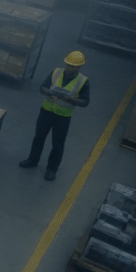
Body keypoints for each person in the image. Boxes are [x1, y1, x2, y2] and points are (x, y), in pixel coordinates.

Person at [19, 51, 90, 181]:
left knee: (58, 145)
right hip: (46, 112)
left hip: (63, 117)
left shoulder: (83, 81)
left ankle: (52, 169)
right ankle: (32, 160)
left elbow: (85, 102)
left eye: (74, 66)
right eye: (69, 65)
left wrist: (71, 100)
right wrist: (50, 92)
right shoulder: (56, 72)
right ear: (65, 63)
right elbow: (43, 88)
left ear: (80, 67)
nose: (70, 68)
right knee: (38, 138)